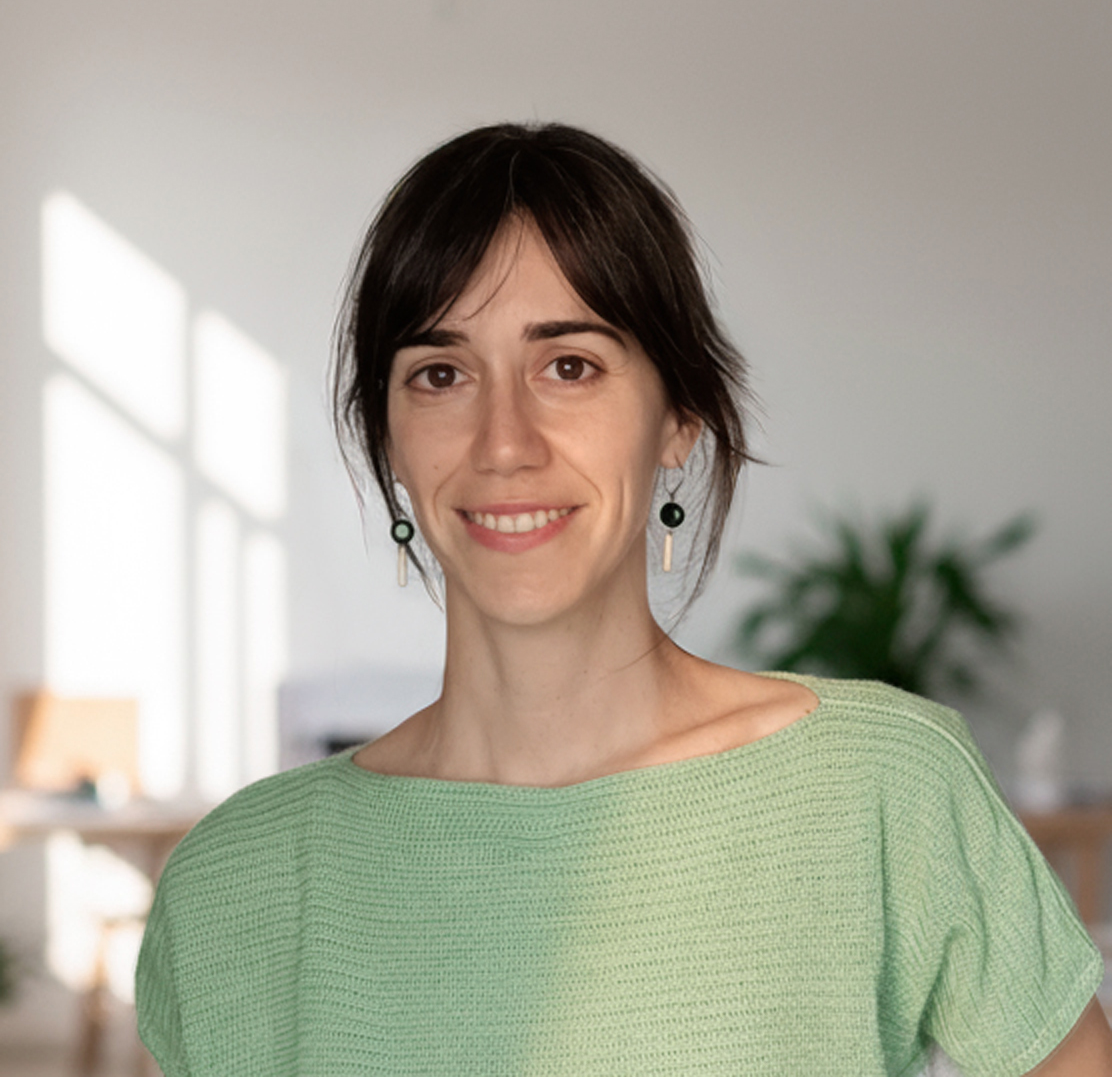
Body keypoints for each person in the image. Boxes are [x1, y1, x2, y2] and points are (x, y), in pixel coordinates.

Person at [135, 123, 1111, 1076]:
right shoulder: (236, 883)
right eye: (440, 374)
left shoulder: (883, 786)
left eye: (569, 366)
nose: (503, 442)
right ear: (387, 437)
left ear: (678, 414)